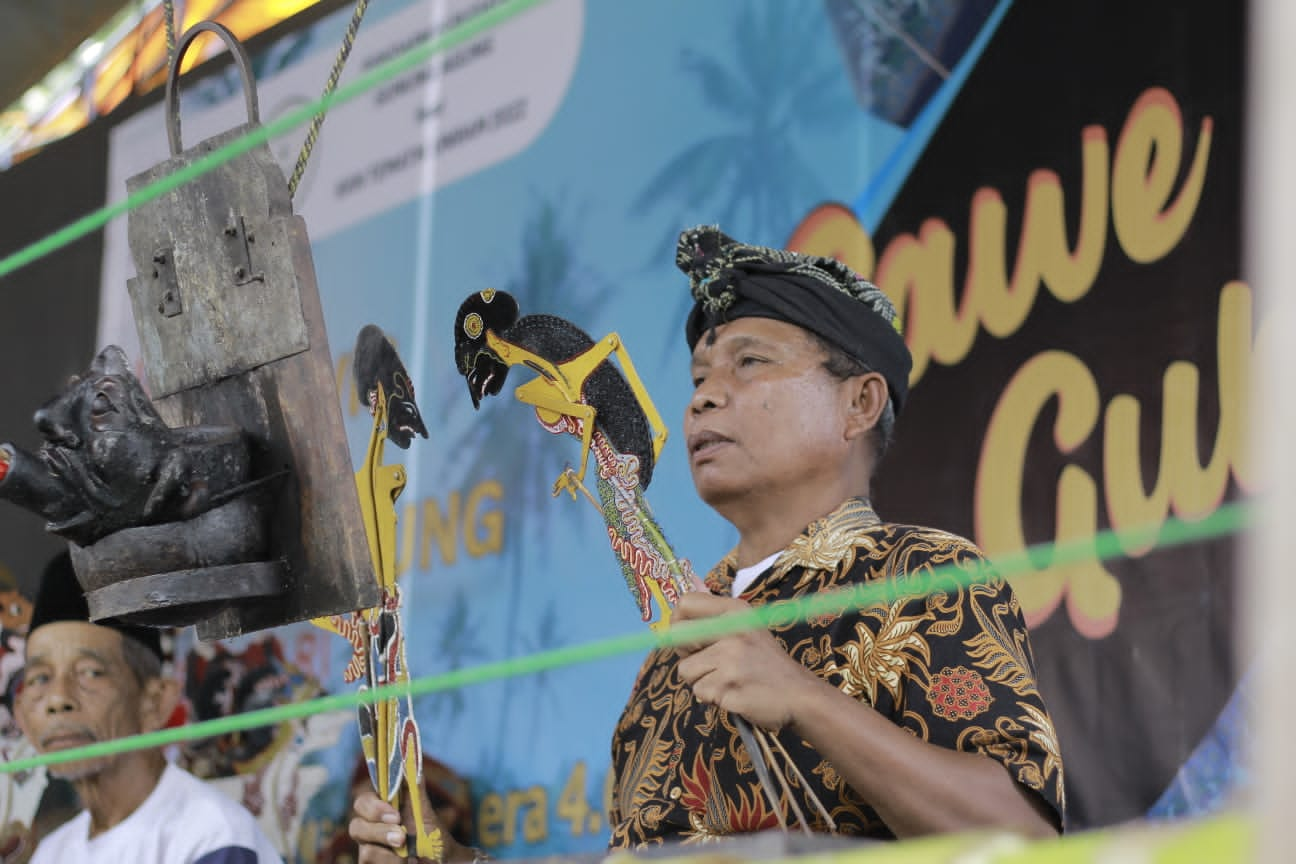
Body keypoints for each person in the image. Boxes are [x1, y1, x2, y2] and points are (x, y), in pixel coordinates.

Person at [350, 226, 1064, 860]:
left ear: (860, 403)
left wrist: (803, 697)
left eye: (749, 363)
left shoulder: (925, 576)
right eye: (698, 377)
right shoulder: (678, 645)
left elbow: (1026, 845)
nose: (704, 396)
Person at [13, 551, 284, 863]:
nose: (57, 700)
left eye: (90, 672)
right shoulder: (52, 854)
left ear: (154, 701)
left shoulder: (211, 837)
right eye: (39, 678)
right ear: (20, 713)